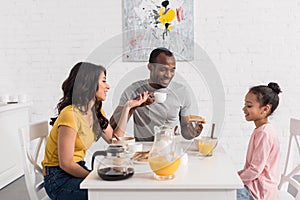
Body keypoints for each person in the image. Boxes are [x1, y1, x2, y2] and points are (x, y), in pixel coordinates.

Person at [42, 62, 149, 200]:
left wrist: (128, 108)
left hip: (76, 169)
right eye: (104, 81)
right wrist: (95, 176)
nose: (108, 86)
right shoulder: (70, 115)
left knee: (117, 188)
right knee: (111, 193)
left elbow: (114, 140)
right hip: (58, 179)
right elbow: (66, 163)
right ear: (89, 84)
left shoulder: (95, 112)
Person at [110, 47, 203, 141]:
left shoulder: (181, 92)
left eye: (172, 70)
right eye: (163, 69)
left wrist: (192, 132)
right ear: (150, 67)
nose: (168, 75)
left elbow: (185, 132)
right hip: (142, 151)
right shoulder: (133, 90)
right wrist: (132, 106)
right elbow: (111, 128)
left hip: (170, 149)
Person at [237, 82, 282, 200]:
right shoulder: (262, 130)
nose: (244, 109)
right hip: (254, 187)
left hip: (258, 193)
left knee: (220, 193)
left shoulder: (264, 133)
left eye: (249, 106)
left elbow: (255, 170)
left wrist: (235, 180)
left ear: (265, 109)